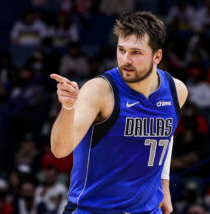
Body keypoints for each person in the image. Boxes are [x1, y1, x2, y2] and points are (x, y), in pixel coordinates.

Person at [50, 11, 188, 214]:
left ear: (157, 56)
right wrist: (68, 107)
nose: (125, 60)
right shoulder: (99, 91)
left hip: (147, 210)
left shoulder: (177, 91)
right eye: (121, 50)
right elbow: (60, 150)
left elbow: (166, 133)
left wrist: (164, 185)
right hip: (93, 209)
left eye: (136, 52)